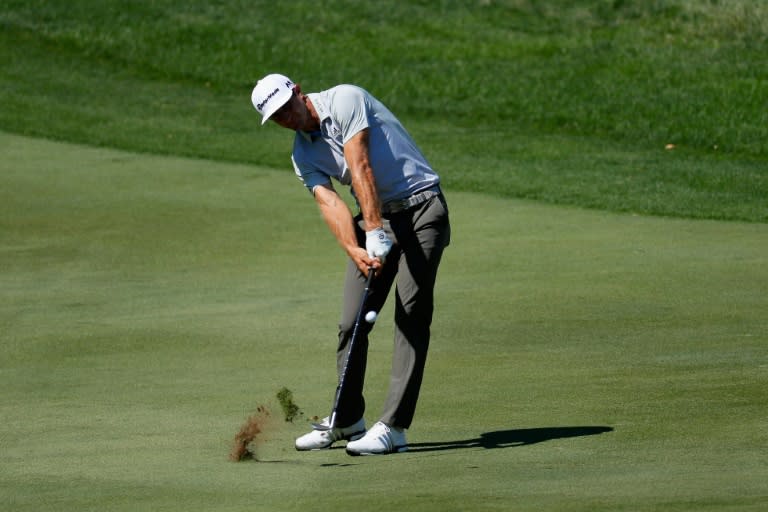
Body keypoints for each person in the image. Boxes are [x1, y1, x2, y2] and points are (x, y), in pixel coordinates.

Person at [251, 74, 450, 455]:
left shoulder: (345, 99)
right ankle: (346, 419)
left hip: (422, 208)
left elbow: (360, 165)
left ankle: (394, 427)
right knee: (350, 320)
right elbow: (330, 203)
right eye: (276, 117)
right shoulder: (302, 154)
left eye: (285, 108)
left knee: (410, 316)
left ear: (297, 92)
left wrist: (373, 230)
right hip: (378, 218)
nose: (286, 118)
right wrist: (354, 248)